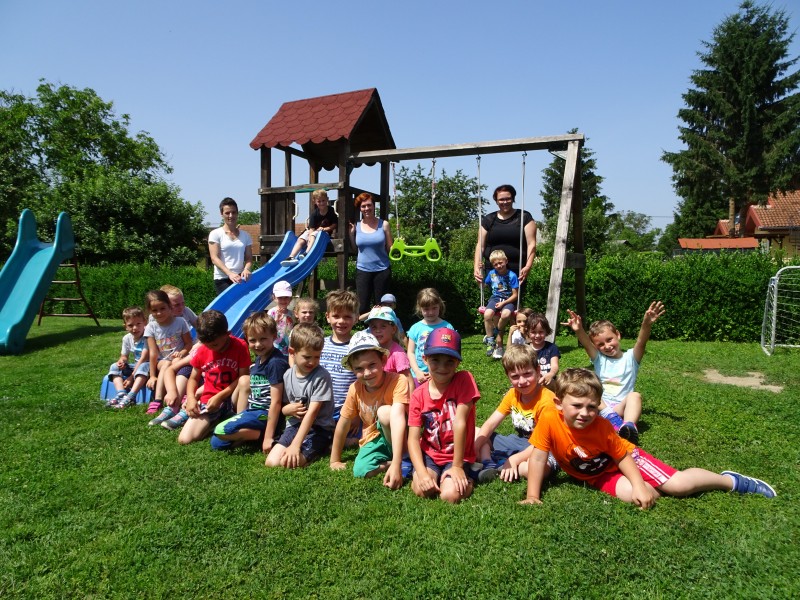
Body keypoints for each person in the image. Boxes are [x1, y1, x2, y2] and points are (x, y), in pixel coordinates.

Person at [519, 368, 776, 508]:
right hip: (597, 475)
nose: (585, 413)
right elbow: (539, 458)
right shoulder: (549, 418)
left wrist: (639, 484)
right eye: (577, 406)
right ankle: (647, 486)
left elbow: (622, 456)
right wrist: (533, 496)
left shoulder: (602, 427)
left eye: (592, 407)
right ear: (559, 403)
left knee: (679, 486)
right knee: (642, 496)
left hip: (627, 457)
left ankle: (730, 481)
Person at [563, 301, 665, 444]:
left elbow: (641, 341)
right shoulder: (599, 359)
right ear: (596, 347)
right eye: (600, 344)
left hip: (621, 407)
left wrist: (646, 324)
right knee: (591, 390)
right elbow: (586, 343)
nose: (607, 346)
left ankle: (628, 427)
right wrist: (579, 330)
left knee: (635, 396)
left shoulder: (631, 358)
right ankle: (611, 418)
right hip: (599, 406)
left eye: (609, 340)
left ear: (618, 335)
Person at [407, 327, 480, 504]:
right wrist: (422, 473)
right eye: (435, 360)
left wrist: (457, 466)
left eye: (449, 361)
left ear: (458, 362)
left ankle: (467, 476)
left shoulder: (464, 380)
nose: (442, 367)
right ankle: (431, 474)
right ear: (425, 359)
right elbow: (413, 439)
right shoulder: (418, 395)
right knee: (422, 489)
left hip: (457, 455)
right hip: (430, 454)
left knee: (449, 495)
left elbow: (460, 422)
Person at [329, 331, 409, 490]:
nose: (366, 373)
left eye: (372, 365)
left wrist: (398, 461)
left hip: (399, 436)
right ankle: (392, 463)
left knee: (385, 412)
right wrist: (334, 460)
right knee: (360, 471)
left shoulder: (398, 380)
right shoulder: (355, 389)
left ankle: (402, 458)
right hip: (373, 438)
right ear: (352, 370)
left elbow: (400, 417)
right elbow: (343, 423)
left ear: (383, 360)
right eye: (359, 368)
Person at [474, 345, 558, 483]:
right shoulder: (513, 394)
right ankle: (488, 462)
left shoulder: (547, 400)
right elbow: (491, 423)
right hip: (520, 442)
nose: (522, 381)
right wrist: (475, 447)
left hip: (544, 449)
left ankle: (504, 464)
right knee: (476, 432)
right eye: (515, 376)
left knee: (531, 469)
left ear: (538, 371)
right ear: (508, 376)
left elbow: (545, 443)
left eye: (527, 374)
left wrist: (514, 459)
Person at [211, 311, 290, 452]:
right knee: (217, 443)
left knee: (220, 430)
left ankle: (267, 435)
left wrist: (268, 438)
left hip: (265, 414)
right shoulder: (259, 359)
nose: (258, 344)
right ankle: (255, 434)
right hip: (253, 411)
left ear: (274, 336)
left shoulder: (275, 363)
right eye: (253, 340)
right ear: (247, 339)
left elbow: (276, 402)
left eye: (263, 339)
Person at [265, 323, 335, 469]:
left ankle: (325, 443)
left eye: (317, 357)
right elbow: (286, 406)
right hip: (295, 425)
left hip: (320, 428)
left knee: (287, 463)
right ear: (292, 352)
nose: (312, 362)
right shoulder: (287, 375)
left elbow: (312, 413)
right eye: (307, 357)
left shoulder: (322, 376)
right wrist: (286, 410)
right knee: (272, 462)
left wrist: (295, 445)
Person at [178, 310, 250, 445]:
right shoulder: (202, 350)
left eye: (215, 344)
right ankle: (216, 420)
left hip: (233, 396)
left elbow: (243, 377)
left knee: (245, 381)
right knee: (184, 439)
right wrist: (191, 399)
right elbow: (193, 378)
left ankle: (239, 421)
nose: (212, 348)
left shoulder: (240, 346)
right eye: (207, 344)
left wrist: (220, 396)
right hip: (210, 400)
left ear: (227, 334)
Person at [473, 184, 536, 284]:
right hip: (493, 270)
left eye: (508, 199)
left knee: (514, 294)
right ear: (496, 201)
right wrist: (476, 266)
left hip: (517, 270)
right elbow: (480, 245)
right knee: (495, 294)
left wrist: (528, 266)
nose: (505, 202)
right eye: (501, 199)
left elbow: (531, 244)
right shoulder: (488, 220)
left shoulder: (524, 217)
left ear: (513, 199)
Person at [143, 290, 192, 415]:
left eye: (162, 308)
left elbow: (188, 343)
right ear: (149, 311)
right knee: (166, 364)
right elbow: (153, 353)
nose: (159, 313)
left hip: (178, 358)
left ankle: (181, 393)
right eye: (154, 310)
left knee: (176, 362)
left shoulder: (180, 322)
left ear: (170, 307)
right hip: (162, 361)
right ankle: (158, 399)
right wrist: (152, 375)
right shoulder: (151, 327)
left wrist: (182, 352)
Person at [320, 290, 359, 443]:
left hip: (347, 409)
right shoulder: (321, 344)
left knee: (352, 440)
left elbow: (362, 383)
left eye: (347, 317)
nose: (341, 321)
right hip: (321, 407)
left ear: (356, 318)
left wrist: (356, 414)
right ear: (328, 317)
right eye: (336, 316)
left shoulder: (358, 347)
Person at [348, 192, 393, 315]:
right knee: (362, 307)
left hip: (382, 269)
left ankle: (383, 327)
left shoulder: (384, 224)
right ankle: (365, 327)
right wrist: (351, 235)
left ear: (374, 206)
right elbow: (355, 249)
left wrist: (399, 248)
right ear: (360, 208)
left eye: (369, 205)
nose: (366, 208)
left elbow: (390, 248)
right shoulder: (356, 226)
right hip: (363, 270)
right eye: (363, 206)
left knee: (382, 306)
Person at [105, 306, 150, 408]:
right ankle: (121, 393)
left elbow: (144, 358)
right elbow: (124, 356)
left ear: (145, 322)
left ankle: (131, 397)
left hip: (148, 366)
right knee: (114, 366)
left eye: (138, 324)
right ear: (125, 326)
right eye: (130, 325)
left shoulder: (148, 337)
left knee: (143, 366)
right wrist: (122, 362)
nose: (135, 328)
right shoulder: (127, 338)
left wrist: (131, 378)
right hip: (136, 366)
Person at [406, 288, 453, 384]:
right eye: (426, 309)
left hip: (441, 374)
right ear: (420, 308)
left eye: (434, 308)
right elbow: (410, 352)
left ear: (439, 305)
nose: (431, 312)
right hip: (419, 376)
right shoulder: (415, 328)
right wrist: (417, 371)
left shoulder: (447, 327)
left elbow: (451, 353)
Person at [208, 197, 253, 296]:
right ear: (221, 214)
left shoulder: (246, 235)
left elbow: (249, 258)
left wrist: (247, 269)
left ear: (237, 213)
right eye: (227, 213)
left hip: (241, 278)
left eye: (233, 212)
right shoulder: (215, 234)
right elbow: (214, 258)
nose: (231, 216)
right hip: (223, 278)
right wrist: (230, 273)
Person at [281, 190, 337, 266]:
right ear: (315, 202)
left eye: (323, 200)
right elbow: (311, 229)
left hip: (324, 234)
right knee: (301, 239)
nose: (321, 203)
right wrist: (309, 239)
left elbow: (334, 225)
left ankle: (307, 252)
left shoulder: (331, 211)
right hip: (314, 232)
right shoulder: (314, 214)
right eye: (319, 201)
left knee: (314, 234)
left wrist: (324, 229)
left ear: (327, 199)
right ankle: (291, 257)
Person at [365, 305, 414, 391]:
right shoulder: (370, 351)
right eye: (374, 327)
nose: (378, 330)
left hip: (394, 395)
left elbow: (409, 381)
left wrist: (411, 399)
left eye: (383, 326)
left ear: (393, 329)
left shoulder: (397, 353)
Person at [481, 249, 519, 360]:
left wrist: (504, 303)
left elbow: (515, 295)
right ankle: (490, 340)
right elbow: (483, 286)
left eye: (500, 263)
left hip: (508, 299)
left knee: (506, 314)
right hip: (495, 298)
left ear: (506, 261)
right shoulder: (491, 274)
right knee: (487, 315)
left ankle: (496, 330)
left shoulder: (512, 275)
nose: (498, 266)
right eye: (495, 264)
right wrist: (481, 274)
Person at [526, 313, 560, 389]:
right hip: (531, 381)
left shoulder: (552, 348)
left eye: (541, 332)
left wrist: (551, 374)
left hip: (548, 380)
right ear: (528, 332)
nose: (537, 335)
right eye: (533, 332)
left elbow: (555, 366)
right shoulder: (525, 349)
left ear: (546, 331)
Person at [267, 280, 294, 357]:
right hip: (274, 347)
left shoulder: (291, 313)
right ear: (274, 297)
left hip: (288, 347)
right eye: (280, 297)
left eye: (286, 297)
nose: (283, 300)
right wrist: (276, 320)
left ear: (290, 298)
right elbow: (267, 329)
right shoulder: (271, 312)